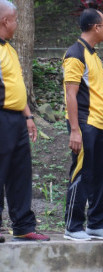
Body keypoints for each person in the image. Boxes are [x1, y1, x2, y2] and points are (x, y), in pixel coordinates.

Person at [0, 0, 49, 243]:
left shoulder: (9, 49)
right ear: (5, 21)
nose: (18, 24)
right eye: (16, 19)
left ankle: (22, 225)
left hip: (16, 118)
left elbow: (17, 85)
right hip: (1, 118)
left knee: (21, 172)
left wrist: (28, 115)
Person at [62, 8, 103, 241]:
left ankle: (97, 223)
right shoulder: (75, 54)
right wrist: (74, 129)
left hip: (101, 123)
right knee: (81, 173)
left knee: (102, 174)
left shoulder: (93, 54)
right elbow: (70, 95)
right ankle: (72, 226)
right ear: (95, 27)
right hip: (84, 122)